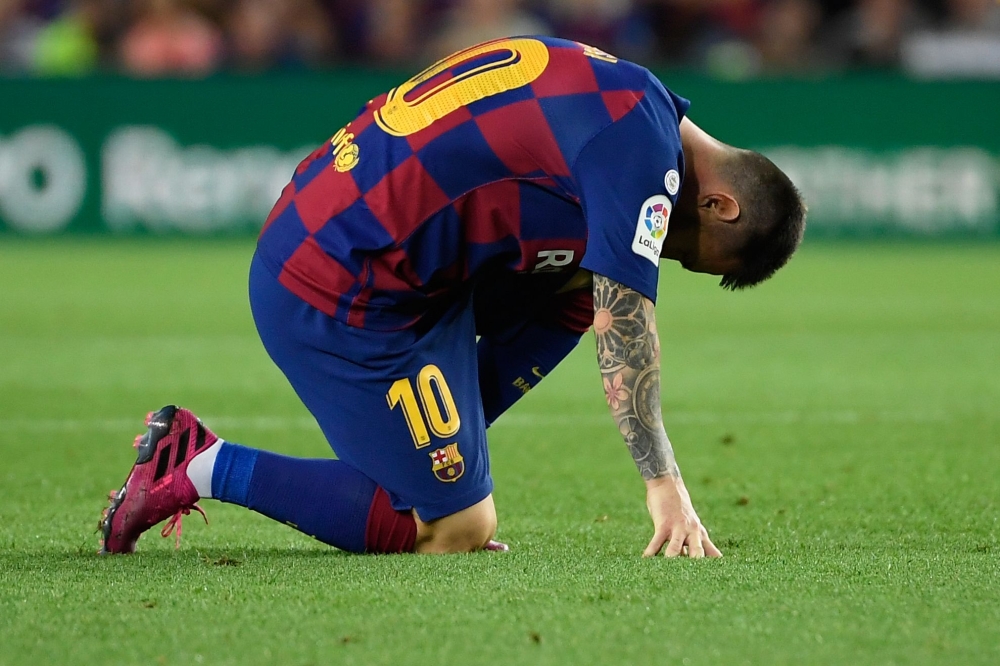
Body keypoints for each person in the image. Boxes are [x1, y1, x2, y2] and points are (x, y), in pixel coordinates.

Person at [99, 36, 805, 558]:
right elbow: (626, 323)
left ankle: (431, 470)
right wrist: (664, 484)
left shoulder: (634, 100)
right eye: (692, 257)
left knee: (577, 286)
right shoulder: (641, 157)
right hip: (339, 281)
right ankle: (198, 461)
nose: (673, 260)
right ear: (720, 205)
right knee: (454, 527)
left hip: (389, 254)